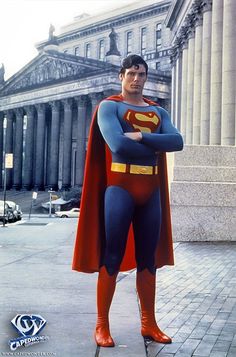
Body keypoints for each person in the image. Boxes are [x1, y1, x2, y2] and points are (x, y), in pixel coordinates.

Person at [72, 54, 183, 347]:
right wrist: (150, 141)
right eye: (132, 73)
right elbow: (117, 143)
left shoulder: (158, 111)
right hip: (119, 189)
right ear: (121, 76)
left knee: (149, 259)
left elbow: (177, 142)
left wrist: (140, 138)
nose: (137, 79)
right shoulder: (110, 106)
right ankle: (102, 325)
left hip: (150, 192)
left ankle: (149, 323)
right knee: (112, 256)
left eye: (142, 74)